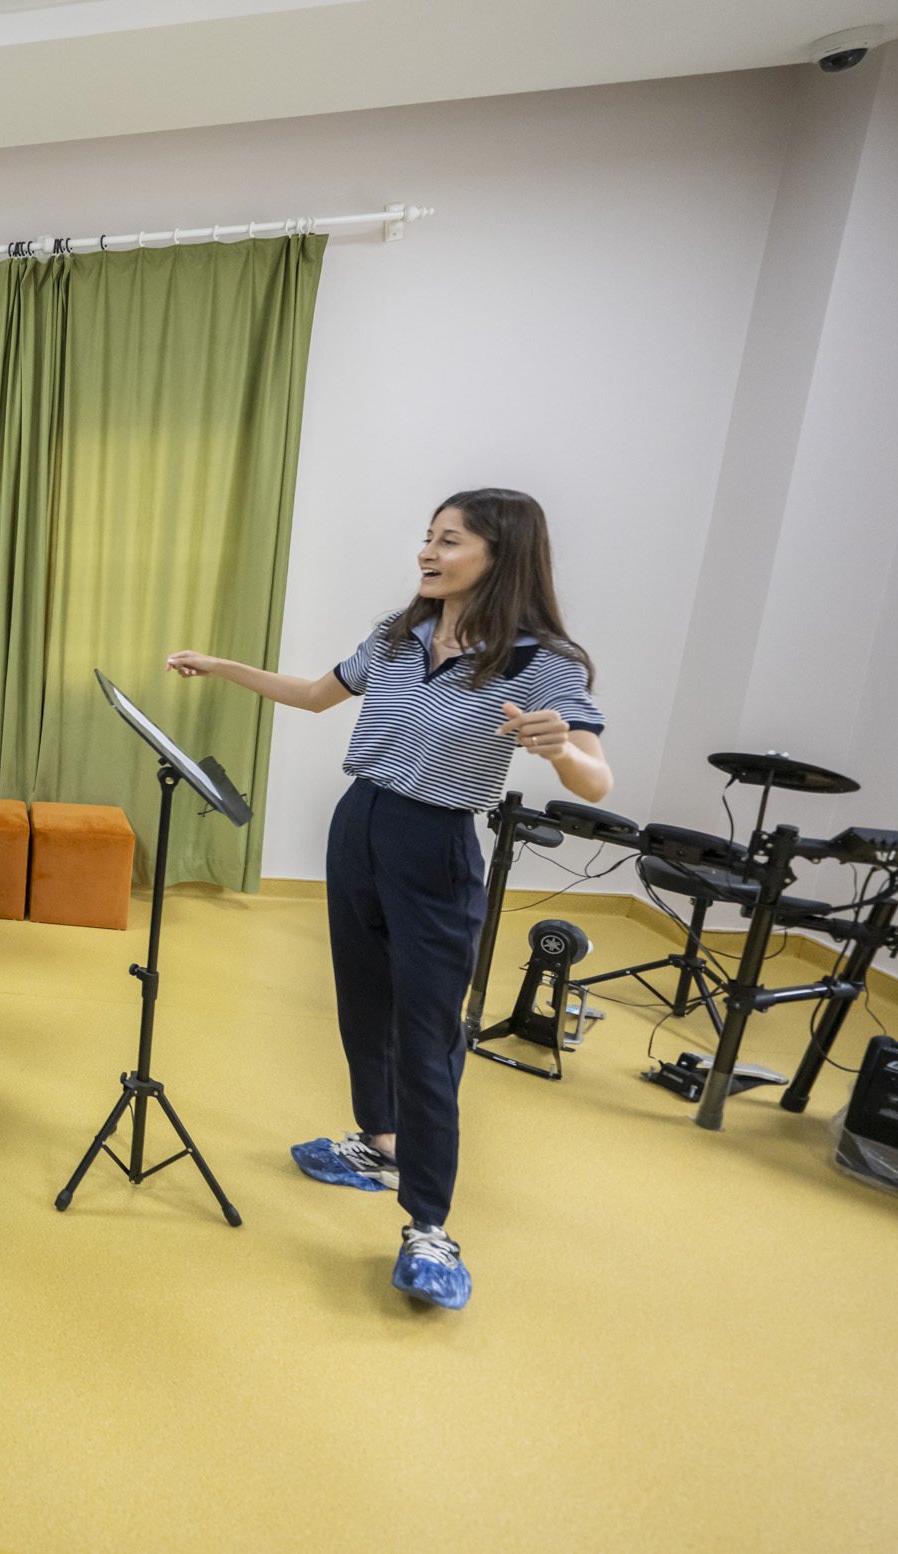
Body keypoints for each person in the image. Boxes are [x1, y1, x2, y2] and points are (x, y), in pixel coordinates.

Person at [167, 487, 610, 1312]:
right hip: (359, 822)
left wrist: (560, 753)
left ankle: (429, 1225)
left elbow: (594, 776)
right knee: (362, 1005)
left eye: (449, 540)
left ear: (500, 554)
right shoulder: (399, 634)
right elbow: (314, 695)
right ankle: (379, 1144)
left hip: (435, 841)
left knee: (427, 1035)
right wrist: (221, 667)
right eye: (427, 536)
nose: (427, 552)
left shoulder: (544, 662)